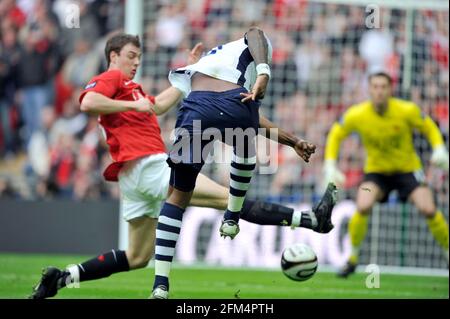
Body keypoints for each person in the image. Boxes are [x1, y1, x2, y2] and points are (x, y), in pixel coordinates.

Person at [29, 33, 336, 299]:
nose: (136, 63)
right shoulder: (114, 79)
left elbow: (160, 105)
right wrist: (131, 105)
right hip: (149, 165)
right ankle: (310, 220)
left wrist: (192, 68)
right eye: (131, 56)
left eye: (139, 57)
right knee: (229, 199)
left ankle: (63, 277)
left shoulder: (134, 89)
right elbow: (88, 102)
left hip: (132, 177)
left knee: (137, 256)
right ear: (113, 56)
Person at [150, 27, 335, 299]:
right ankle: (232, 216)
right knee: (246, 142)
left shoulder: (209, 63)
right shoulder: (247, 49)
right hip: (231, 107)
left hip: (193, 110)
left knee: (176, 198)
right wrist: (264, 70)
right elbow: (256, 32)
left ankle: (160, 286)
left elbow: (238, 109)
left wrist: (293, 141)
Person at [323, 71, 449, 278]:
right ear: (369, 90)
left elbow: (429, 127)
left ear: (390, 89)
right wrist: (330, 164)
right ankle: (352, 258)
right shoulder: (358, 114)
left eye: (383, 87)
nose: (379, 91)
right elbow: (337, 133)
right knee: (362, 205)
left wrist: (439, 148)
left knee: (428, 208)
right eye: (375, 87)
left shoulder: (406, 110)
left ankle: (447, 252)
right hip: (376, 172)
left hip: (408, 170)